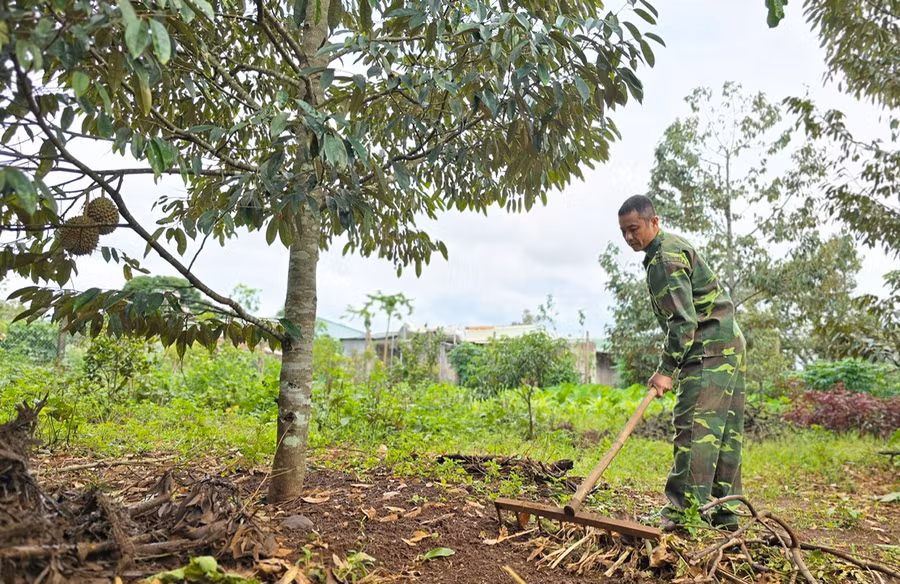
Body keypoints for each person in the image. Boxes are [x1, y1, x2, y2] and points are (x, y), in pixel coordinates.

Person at [617, 194, 747, 532]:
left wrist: (666, 371)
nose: (630, 237)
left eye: (634, 229)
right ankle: (724, 514)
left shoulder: (664, 259)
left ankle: (681, 517)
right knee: (725, 435)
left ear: (653, 222)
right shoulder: (672, 247)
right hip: (729, 344)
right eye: (624, 232)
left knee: (695, 431)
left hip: (707, 351)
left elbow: (683, 322)